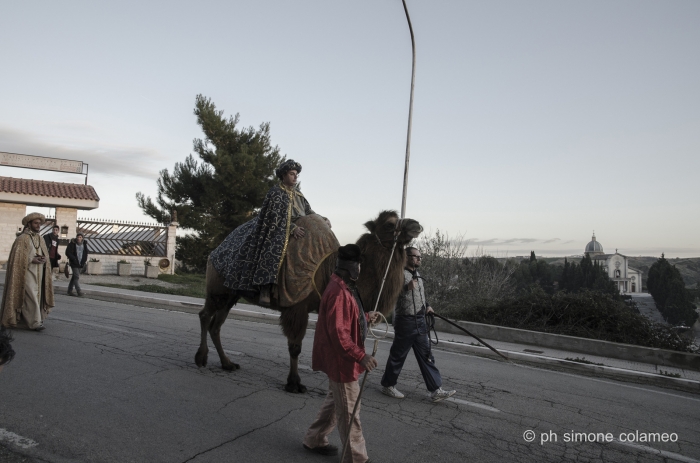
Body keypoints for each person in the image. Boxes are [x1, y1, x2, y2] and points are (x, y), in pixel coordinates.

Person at [209, 159, 331, 307]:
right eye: (292, 174)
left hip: (298, 227)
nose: (295, 177)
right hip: (275, 227)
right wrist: (292, 228)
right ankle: (265, 288)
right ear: (284, 175)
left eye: (296, 174)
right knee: (274, 248)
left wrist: (321, 218)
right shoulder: (276, 193)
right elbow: (274, 217)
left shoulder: (298, 194)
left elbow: (308, 211)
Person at [303, 244, 379, 463]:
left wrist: (365, 316)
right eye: (360, 265)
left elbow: (348, 316)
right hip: (341, 361)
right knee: (350, 409)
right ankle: (355, 458)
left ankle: (314, 438)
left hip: (342, 360)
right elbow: (339, 334)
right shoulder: (338, 292)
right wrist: (360, 356)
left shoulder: (343, 286)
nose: (361, 269)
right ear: (352, 267)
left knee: (337, 402)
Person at [380, 247, 456, 402]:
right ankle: (388, 385)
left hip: (420, 320)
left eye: (420, 257)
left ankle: (436, 390)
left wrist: (427, 305)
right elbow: (389, 293)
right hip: (405, 321)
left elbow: (420, 294)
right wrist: (405, 288)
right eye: (416, 257)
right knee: (398, 356)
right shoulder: (398, 274)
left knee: (427, 355)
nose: (419, 259)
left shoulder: (417, 275)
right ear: (406, 257)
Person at [1, 213, 55, 331]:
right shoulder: (22, 239)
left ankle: (30, 320)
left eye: (39, 223)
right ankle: (35, 323)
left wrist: (44, 259)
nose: (38, 226)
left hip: (39, 272)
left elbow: (44, 253)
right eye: (35, 223)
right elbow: (17, 259)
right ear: (29, 224)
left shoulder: (40, 239)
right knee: (30, 296)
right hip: (26, 273)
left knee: (37, 296)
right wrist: (31, 260)